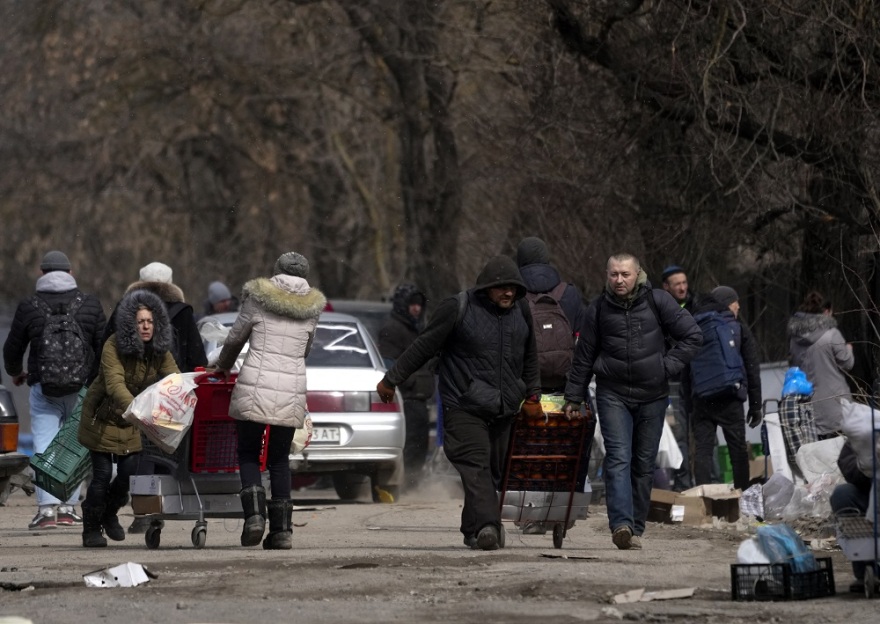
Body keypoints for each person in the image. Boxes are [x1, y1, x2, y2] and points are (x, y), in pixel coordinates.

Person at [376, 255, 542, 551]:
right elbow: (423, 346)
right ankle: (490, 526)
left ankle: (472, 527)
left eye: (513, 288)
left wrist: (532, 396)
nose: (508, 293)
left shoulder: (521, 311)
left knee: (492, 472)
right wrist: (392, 379)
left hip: (504, 407)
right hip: (464, 404)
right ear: (486, 287)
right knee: (475, 465)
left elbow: (529, 356)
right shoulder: (459, 308)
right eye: (502, 287)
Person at [562, 253, 701, 550]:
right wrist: (574, 395)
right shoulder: (597, 309)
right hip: (613, 394)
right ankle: (621, 524)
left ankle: (635, 526)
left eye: (625, 274)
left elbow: (692, 335)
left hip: (653, 395)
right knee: (618, 458)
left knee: (643, 463)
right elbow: (583, 356)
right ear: (607, 276)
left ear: (637, 274)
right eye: (613, 274)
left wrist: (666, 367)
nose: (619, 280)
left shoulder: (659, 301)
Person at [212, 252, 325, 550]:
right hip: (290, 389)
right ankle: (282, 532)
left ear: (276, 271)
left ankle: (254, 518)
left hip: (256, 386)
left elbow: (236, 338)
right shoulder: (312, 309)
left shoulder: (258, 298)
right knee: (278, 459)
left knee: (249, 452)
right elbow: (305, 350)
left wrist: (223, 364)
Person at [97, 261, 208, 534]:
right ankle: (161, 506)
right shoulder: (182, 313)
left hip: (132, 394)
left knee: (138, 452)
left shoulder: (126, 311)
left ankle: (144, 510)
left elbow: (105, 348)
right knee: (165, 450)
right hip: (170, 395)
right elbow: (196, 357)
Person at [2, 250, 106, 530]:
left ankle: (47, 510)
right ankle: (68, 509)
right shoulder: (90, 304)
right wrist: (93, 382)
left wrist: (16, 373)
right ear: (70, 274)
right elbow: (104, 346)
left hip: (43, 387)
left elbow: (12, 348)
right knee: (74, 447)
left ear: (42, 274)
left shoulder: (30, 305)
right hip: (82, 389)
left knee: (45, 445)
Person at [77, 289, 179, 547]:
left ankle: (109, 513)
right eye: (140, 322)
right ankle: (90, 529)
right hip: (101, 417)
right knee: (101, 476)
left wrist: (186, 395)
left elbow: (173, 380)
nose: (145, 327)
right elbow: (114, 384)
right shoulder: (113, 345)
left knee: (127, 475)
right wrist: (139, 409)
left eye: (150, 322)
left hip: (131, 421)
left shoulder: (159, 350)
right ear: (130, 325)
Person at [516, 236, 591, 534]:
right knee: (567, 448)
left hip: (529, 388)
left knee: (531, 449)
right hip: (567, 387)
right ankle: (563, 510)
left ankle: (532, 513)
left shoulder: (515, 293)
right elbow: (582, 340)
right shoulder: (569, 293)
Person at [689, 287, 762, 491]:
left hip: (702, 399)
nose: (738, 306)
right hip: (730, 397)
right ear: (727, 304)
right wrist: (755, 406)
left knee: (703, 451)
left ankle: (702, 501)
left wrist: (689, 406)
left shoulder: (695, 327)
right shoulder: (737, 327)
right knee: (737, 450)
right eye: (735, 302)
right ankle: (742, 499)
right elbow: (752, 368)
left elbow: (687, 370)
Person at [378, 283, 434, 491]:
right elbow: (389, 363)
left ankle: (413, 484)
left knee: (419, 446)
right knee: (410, 446)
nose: (416, 308)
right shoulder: (393, 329)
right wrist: (408, 382)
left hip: (419, 398)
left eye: (419, 304)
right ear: (403, 305)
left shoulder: (417, 328)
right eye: (412, 304)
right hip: (405, 399)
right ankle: (404, 486)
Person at [787, 290, 854, 438]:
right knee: (841, 456)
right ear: (826, 311)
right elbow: (847, 363)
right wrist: (848, 349)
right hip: (835, 406)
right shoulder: (832, 334)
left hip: (807, 408)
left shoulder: (794, 339)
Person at [660, 264, 696, 492]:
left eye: (684, 283)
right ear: (667, 287)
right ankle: (683, 485)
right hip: (673, 382)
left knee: (704, 438)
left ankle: (706, 483)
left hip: (695, 381)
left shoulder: (697, 307)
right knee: (679, 435)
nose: (682, 288)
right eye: (677, 284)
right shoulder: (661, 310)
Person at [829, 440, 879, 593]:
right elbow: (847, 462)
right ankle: (864, 569)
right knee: (842, 494)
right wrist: (868, 465)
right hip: (870, 490)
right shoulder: (866, 432)